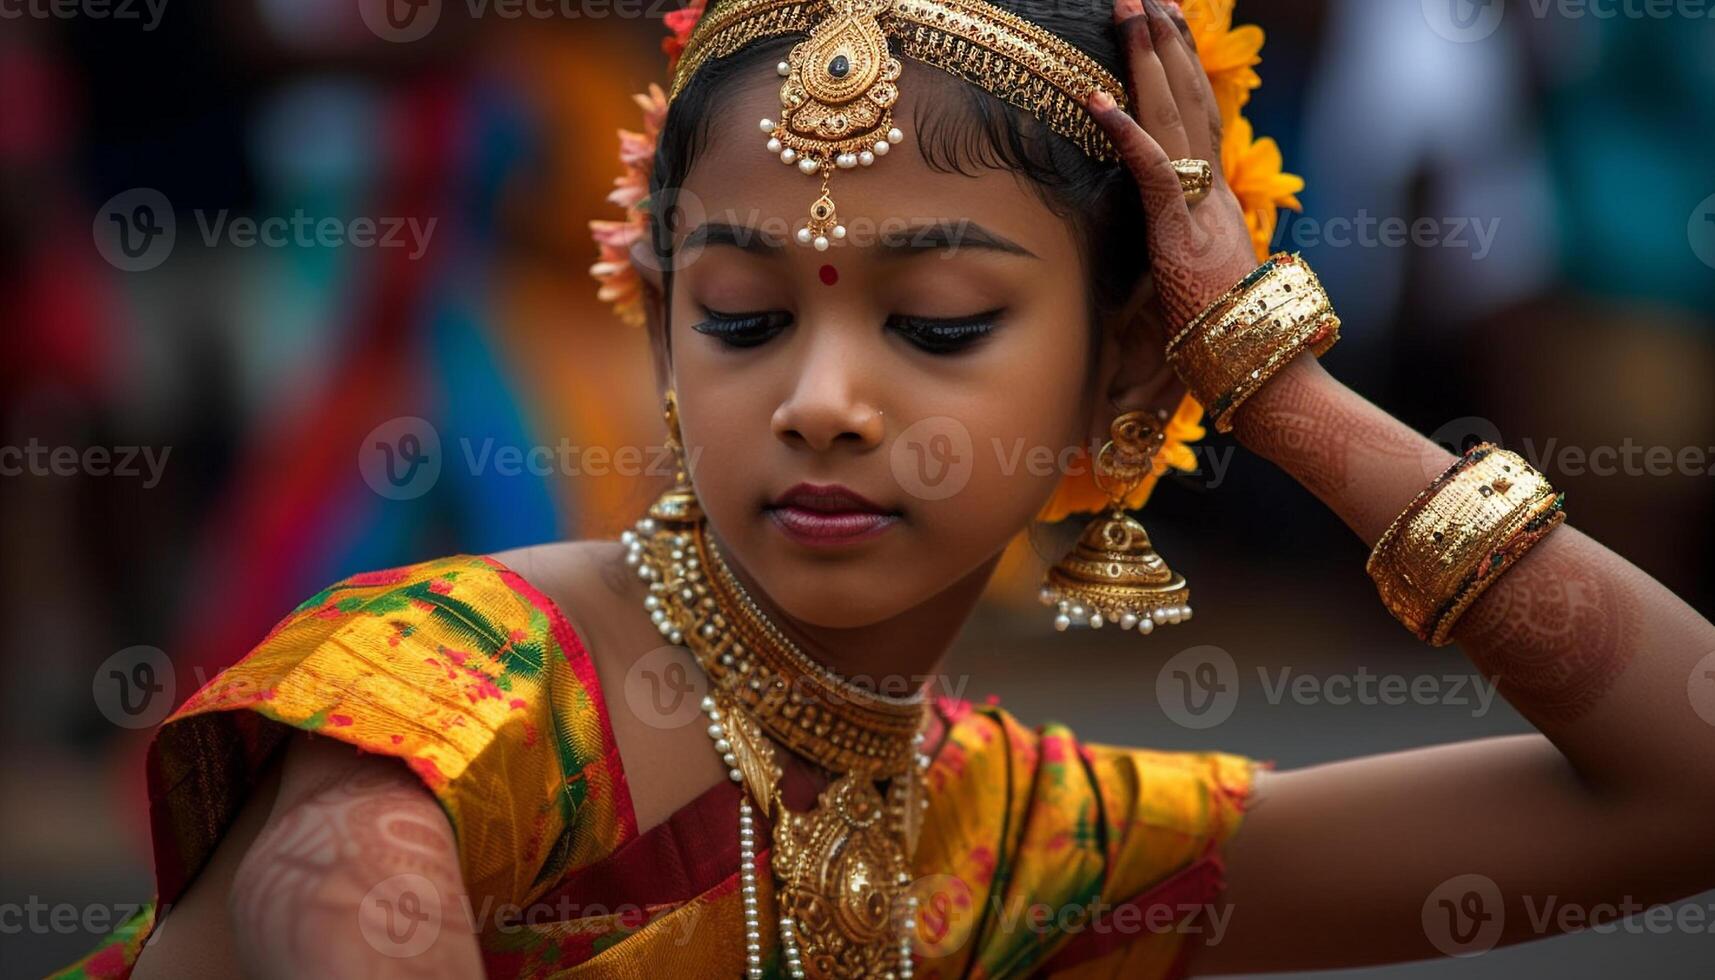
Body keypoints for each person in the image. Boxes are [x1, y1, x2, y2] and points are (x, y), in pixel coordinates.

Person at [56, 0, 1715, 977]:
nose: (826, 401)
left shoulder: (1014, 848)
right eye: (744, 317)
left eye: (936, 324)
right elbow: (351, 891)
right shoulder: (461, 678)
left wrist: (1280, 392)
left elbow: (1683, 778)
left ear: (1130, 371)